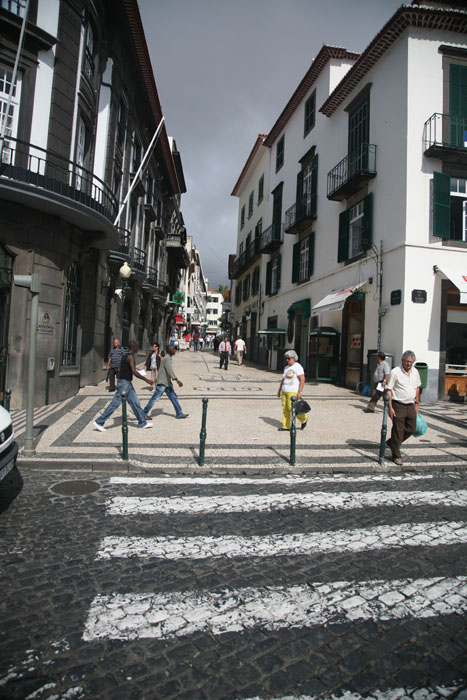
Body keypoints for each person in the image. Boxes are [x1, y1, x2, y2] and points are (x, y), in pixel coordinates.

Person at [93, 341, 153, 431]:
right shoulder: (130, 357)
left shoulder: (125, 356)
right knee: (115, 403)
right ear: (134, 347)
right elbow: (134, 372)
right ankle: (99, 422)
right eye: (137, 346)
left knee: (135, 402)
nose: (138, 348)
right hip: (125, 383)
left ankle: (142, 422)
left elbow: (119, 368)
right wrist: (146, 380)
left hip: (126, 382)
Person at [386, 350, 421, 466]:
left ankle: (392, 442)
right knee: (398, 430)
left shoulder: (415, 372)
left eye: (411, 362)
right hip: (398, 404)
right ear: (402, 360)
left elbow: (417, 387)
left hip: (410, 405)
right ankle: (396, 455)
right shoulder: (395, 372)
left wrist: (416, 402)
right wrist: (390, 407)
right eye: (407, 362)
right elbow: (389, 390)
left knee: (411, 428)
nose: (409, 364)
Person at [143, 345, 188, 419]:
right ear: (170, 350)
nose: (175, 351)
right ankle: (144, 413)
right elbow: (169, 370)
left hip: (167, 382)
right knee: (155, 398)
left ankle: (179, 413)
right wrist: (177, 380)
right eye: (174, 349)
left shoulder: (167, 358)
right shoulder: (167, 359)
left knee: (173, 397)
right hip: (162, 383)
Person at [277, 350, 308, 431]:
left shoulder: (298, 367)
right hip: (285, 390)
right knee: (285, 408)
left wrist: (299, 392)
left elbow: (302, 379)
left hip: (293, 390)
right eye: (286, 358)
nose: (287, 360)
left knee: (292, 408)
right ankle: (286, 426)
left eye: (288, 358)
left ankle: (304, 419)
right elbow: (283, 379)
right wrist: (279, 390)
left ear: (293, 358)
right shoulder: (286, 367)